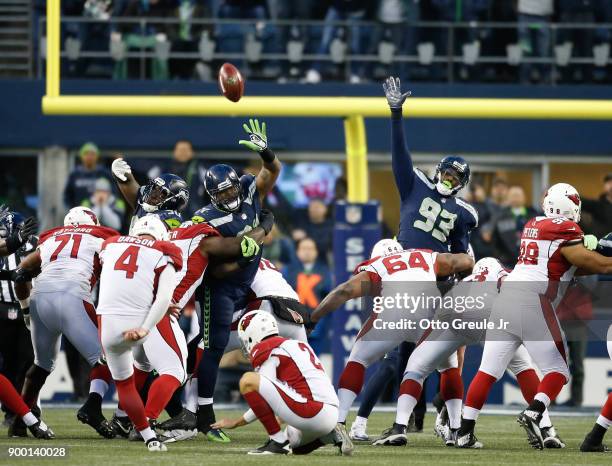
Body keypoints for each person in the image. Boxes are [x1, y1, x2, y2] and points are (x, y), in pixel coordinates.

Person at [457, 183, 612, 450]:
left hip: (506, 298)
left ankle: (464, 432)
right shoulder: (566, 228)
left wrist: (594, 248)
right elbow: (594, 264)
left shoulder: (534, 223)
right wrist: (601, 250)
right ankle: (534, 412)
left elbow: (564, 264)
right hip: (533, 301)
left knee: (488, 370)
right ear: (570, 206)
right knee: (559, 370)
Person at [110, 210, 273, 440]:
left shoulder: (126, 245)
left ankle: (122, 418)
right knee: (174, 371)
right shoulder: (197, 237)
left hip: (120, 311)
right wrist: (264, 227)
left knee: (142, 366)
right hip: (157, 311)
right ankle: (145, 423)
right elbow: (238, 245)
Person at [372, 257, 562, 448]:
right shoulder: (506, 275)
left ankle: (401, 427)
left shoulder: (464, 282)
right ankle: (547, 429)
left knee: (417, 368)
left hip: (451, 317)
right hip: (491, 316)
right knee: (522, 366)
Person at [311, 238, 474, 442]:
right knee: (446, 367)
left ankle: (340, 422)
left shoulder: (377, 264)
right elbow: (466, 261)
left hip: (393, 314)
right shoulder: (423, 254)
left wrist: (314, 318)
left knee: (358, 360)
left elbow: (344, 291)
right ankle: (455, 430)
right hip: (429, 314)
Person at [190, 118, 281, 441]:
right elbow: (213, 268)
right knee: (213, 347)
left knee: (277, 323)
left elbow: (272, 173)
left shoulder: (246, 189)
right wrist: (258, 236)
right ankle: (204, 415)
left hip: (251, 278)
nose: (229, 195)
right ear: (211, 195)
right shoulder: (205, 218)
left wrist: (267, 154)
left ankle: (285, 399)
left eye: (231, 189)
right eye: (222, 192)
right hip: (221, 286)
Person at [11, 207, 117, 439]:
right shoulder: (103, 237)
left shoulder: (51, 238)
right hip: (74, 297)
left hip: (41, 299)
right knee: (108, 358)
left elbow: (20, 273)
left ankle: (21, 419)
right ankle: (93, 407)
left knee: (41, 365)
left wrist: (27, 310)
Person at [210, 311, 353, 456]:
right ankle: (329, 436)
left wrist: (236, 422)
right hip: (331, 413)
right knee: (294, 443)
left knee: (248, 380)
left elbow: (261, 392)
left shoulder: (267, 347)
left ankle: (277, 442)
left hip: (311, 411)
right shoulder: (297, 344)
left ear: (253, 333)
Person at [0, 209, 35, 429]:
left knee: (28, 363)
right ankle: (12, 411)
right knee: (7, 366)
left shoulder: (37, 245)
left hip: (28, 310)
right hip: (2, 308)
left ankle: (25, 409)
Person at [283, 237, 332, 354]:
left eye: (310, 248)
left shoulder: (326, 272)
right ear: (297, 251)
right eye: (304, 248)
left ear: (316, 252)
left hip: (316, 326)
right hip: (292, 323)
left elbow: (330, 299)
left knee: (313, 358)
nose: (307, 251)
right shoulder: (287, 270)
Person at [111, 158, 190, 229]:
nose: (154, 193)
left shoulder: (173, 219)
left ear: (174, 201)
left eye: (163, 192)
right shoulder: (146, 204)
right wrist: (120, 172)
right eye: (154, 187)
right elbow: (126, 182)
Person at [145, 140, 207, 218]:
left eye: (186, 150)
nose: (183, 152)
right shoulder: (162, 169)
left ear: (192, 153)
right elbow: (150, 180)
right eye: (180, 150)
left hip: (193, 214)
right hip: (165, 211)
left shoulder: (201, 169)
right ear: (174, 152)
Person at [490, 185, 538, 267]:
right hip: (506, 263)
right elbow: (494, 240)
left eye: (518, 195)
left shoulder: (534, 215)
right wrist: (500, 257)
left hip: (529, 263)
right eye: (513, 195)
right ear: (508, 198)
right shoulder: (499, 216)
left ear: (524, 198)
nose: (515, 198)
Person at [63, 142, 113, 209]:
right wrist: (71, 210)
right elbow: (67, 195)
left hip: (100, 213)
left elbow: (113, 193)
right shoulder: (75, 174)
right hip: (79, 214)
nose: (89, 157)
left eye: (92, 154)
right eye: (86, 154)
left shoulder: (104, 173)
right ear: (81, 156)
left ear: (97, 156)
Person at [517, 0, 554, 83]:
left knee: (543, 52)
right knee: (525, 51)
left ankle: (544, 82)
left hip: (543, 17)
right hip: (525, 15)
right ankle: (524, 82)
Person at [292, 199, 334, 264]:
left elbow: (325, 245)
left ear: (325, 209)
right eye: (311, 207)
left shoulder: (331, 225)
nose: (314, 210)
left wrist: (305, 236)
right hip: (299, 261)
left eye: (317, 207)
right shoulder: (303, 223)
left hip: (322, 262)